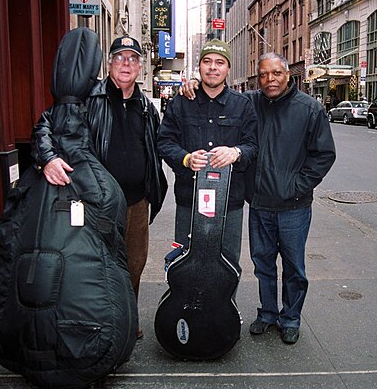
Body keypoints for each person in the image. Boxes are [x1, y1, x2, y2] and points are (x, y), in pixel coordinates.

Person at [181, 52, 336, 344]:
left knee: (293, 267)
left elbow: (324, 155)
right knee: (263, 264)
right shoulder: (250, 103)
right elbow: (218, 93)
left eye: (276, 73)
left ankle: (290, 317)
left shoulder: (310, 108)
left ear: (287, 74)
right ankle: (267, 313)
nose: (270, 80)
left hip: (294, 206)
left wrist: (297, 186)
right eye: (264, 74)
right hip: (260, 204)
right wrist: (190, 83)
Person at [31, 36, 168, 339]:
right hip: (95, 203)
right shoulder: (87, 97)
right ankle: (94, 326)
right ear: (108, 64)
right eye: (119, 57)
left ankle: (126, 321)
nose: (126, 64)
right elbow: (46, 125)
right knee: (94, 265)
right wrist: (49, 159)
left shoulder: (146, 106)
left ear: (140, 66)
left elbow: (159, 146)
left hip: (135, 203)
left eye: (133, 58)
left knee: (133, 265)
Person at [157, 39, 258, 272]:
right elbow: (164, 141)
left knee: (228, 265)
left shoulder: (242, 106)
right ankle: (186, 308)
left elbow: (253, 145)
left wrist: (236, 152)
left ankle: (225, 309)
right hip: (189, 200)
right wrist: (186, 159)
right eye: (207, 61)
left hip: (229, 202)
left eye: (220, 62)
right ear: (199, 67)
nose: (213, 67)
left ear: (228, 69)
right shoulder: (181, 102)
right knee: (183, 262)